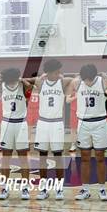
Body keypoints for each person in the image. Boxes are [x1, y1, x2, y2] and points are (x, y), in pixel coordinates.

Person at [26, 59, 74, 200]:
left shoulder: (62, 82)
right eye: (57, 71)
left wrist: (61, 77)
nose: (59, 73)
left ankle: (59, 189)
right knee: (42, 157)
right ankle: (43, 189)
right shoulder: (40, 83)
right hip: (43, 123)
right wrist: (40, 77)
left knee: (58, 157)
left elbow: (75, 79)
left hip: (57, 123)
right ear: (50, 72)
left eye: (59, 71)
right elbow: (24, 80)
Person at [70, 64, 107, 201]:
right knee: (85, 157)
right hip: (83, 123)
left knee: (100, 156)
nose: (87, 81)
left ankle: (102, 188)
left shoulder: (102, 82)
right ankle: (85, 189)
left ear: (94, 76)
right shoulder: (77, 82)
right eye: (85, 78)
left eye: (90, 78)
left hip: (99, 122)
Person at [0, 68, 33, 200]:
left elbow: (32, 87)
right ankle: (4, 188)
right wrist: (3, 79)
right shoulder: (2, 86)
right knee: (5, 158)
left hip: (21, 123)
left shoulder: (22, 86)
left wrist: (22, 80)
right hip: (7, 123)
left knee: (23, 158)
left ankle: (25, 188)